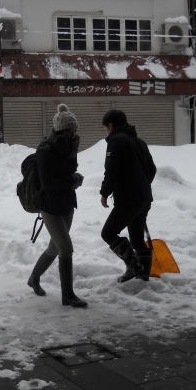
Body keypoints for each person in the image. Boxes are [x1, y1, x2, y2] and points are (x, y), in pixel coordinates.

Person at [27, 104, 87, 308]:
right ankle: (68, 295)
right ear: (62, 130)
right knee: (66, 248)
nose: (74, 133)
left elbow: (68, 173)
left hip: (67, 203)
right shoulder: (46, 150)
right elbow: (48, 184)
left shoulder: (70, 146)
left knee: (54, 247)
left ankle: (33, 278)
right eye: (71, 130)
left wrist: (74, 179)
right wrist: (72, 180)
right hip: (50, 205)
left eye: (75, 129)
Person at [99, 109, 157, 282]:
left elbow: (112, 171)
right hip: (144, 198)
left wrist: (104, 193)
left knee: (108, 233)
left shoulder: (116, 141)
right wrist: (142, 185)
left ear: (110, 125)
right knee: (137, 236)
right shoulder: (139, 142)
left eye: (105, 128)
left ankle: (133, 266)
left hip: (128, 199)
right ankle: (143, 274)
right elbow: (152, 169)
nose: (106, 132)